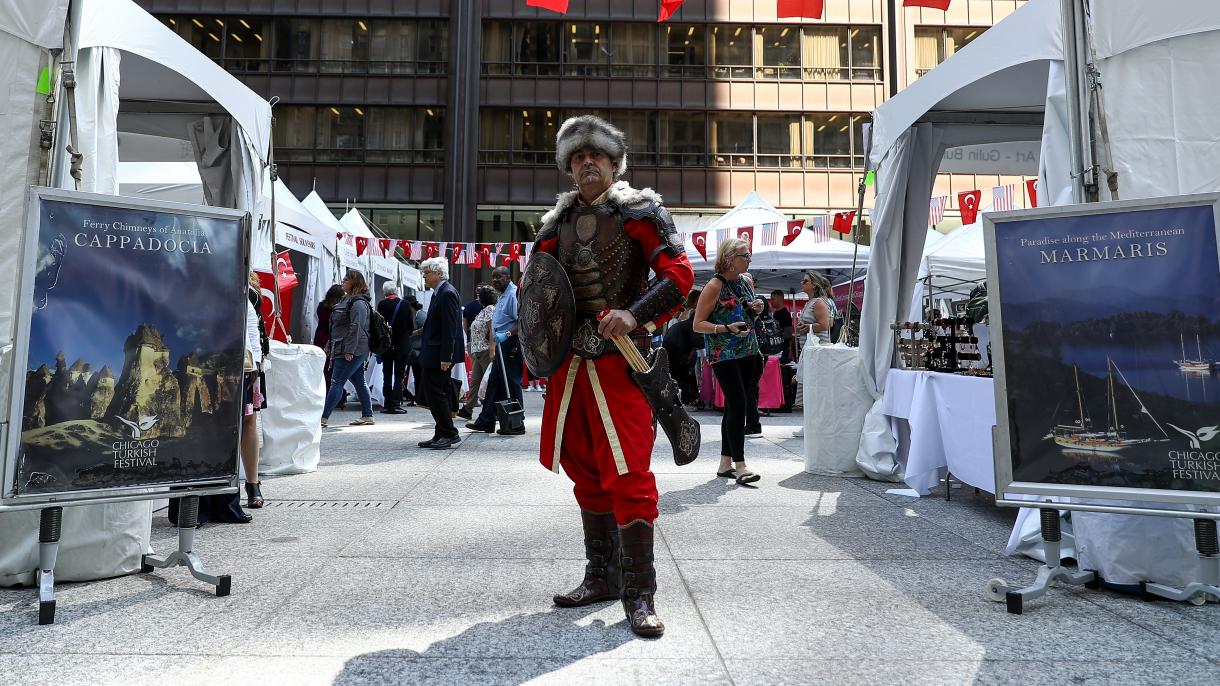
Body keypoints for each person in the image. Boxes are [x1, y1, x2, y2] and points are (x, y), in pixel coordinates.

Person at [530, 115, 694, 638]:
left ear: (615, 164)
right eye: (578, 157)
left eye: (596, 155)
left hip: (622, 360)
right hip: (571, 368)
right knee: (584, 470)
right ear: (569, 166)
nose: (587, 163)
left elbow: (679, 276)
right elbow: (540, 293)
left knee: (628, 472)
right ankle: (599, 576)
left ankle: (639, 592)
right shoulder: (555, 225)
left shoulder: (640, 214)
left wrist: (635, 313)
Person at [692, 238, 764, 486]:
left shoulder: (745, 281)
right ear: (730, 259)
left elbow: (748, 312)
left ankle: (725, 463)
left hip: (748, 349)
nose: (749, 259)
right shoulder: (713, 286)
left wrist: (757, 307)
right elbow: (697, 324)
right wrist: (725, 327)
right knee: (738, 403)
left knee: (736, 405)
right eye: (745, 255)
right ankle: (741, 466)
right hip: (724, 353)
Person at [467, 266, 525, 435]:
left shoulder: (513, 294)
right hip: (501, 344)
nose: (495, 280)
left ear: (508, 277)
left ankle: (517, 423)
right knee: (493, 382)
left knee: (512, 382)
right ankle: (486, 420)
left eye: (499, 277)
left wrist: (506, 334)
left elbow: (521, 322)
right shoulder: (502, 296)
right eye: (493, 277)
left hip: (510, 343)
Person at [417, 257, 465, 449]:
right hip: (434, 352)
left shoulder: (446, 293)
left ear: (439, 273)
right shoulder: (440, 292)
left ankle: (448, 432)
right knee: (435, 392)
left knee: (436, 393)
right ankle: (441, 432)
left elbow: (450, 328)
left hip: (439, 354)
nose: (424, 277)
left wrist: (446, 356)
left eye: (427, 273)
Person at [321, 270, 375, 427]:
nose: (343, 281)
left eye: (347, 279)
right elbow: (339, 326)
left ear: (355, 283)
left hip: (352, 349)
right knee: (359, 382)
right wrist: (329, 345)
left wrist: (349, 350)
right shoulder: (348, 299)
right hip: (346, 347)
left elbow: (356, 327)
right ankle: (368, 415)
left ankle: (323, 419)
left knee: (337, 381)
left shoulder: (358, 303)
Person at [242, 271, 268, 510]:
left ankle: (253, 483)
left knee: (249, 419)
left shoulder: (249, 279)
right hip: (224, 356)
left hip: (250, 359)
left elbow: (256, 322)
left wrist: (258, 361)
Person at [458, 285, 497, 420]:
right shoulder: (483, 310)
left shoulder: (490, 310)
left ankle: (491, 411)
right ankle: (468, 409)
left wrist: (492, 350)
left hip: (486, 351)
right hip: (479, 351)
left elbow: (492, 330)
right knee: (475, 382)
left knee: (488, 383)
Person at [661, 288, 703, 407]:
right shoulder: (691, 325)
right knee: (682, 378)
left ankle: (680, 399)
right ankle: (685, 400)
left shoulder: (683, 325)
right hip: (678, 354)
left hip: (672, 352)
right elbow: (697, 341)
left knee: (677, 377)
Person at [377, 282, 414, 415]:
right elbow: (410, 326)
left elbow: (378, 325)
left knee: (386, 374)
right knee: (399, 375)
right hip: (402, 345)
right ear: (396, 290)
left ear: (385, 292)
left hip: (387, 345)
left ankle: (387, 403)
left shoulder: (382, 305)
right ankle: (396, 403)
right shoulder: (405, 304)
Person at [314, 284, 345, 403]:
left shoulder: (322, 306)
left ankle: (329, 394)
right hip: (329, 339)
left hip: (322, 337)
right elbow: (332, 323)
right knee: (331, 369)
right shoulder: (336, 309)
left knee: (326, 368)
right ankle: (334, 396)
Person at [769, 289, 796, 413]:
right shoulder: (776, 314)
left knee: (782, 375)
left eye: (773, 298)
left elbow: (788, 333)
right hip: (777, 349)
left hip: (782, 350)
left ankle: (782, 401)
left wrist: (780, 341)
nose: (771, 301)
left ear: (780, 298)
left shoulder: (784, 314)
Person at [796, 272, 837, 345]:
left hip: (818, 350)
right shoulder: (809, 303)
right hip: (811, 350)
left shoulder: (819, 302)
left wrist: (808, 327)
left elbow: (824, 326)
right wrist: (800, 327)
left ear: (814, 285)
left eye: (805, 281)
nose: (802, 283)